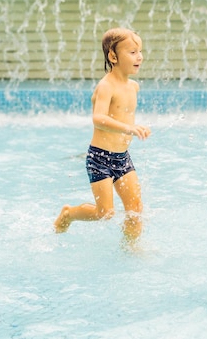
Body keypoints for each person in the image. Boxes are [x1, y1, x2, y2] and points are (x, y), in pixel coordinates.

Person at [54, 28, 151, 244]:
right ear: (113, 57)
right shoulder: (106, 86)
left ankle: (131, 250)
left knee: (135, 210)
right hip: (100, 158)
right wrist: (129, 129)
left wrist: (136, 127)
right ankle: (69, 213)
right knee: (105, 213)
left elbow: (123, 116)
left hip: (122, 157)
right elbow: (98, 118)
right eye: (132, 52)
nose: (139, 57)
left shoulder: (133, 87)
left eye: (140, 51)